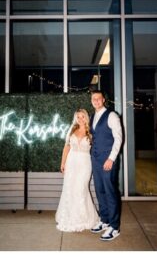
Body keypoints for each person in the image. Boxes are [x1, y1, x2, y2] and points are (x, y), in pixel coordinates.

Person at [55, 109, 100, 232]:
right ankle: (69, 217)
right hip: (71, 162)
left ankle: (83, 218)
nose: (80, 119)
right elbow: (66, 147)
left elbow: (97, 149)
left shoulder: (91, 131)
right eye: (78, 117)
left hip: (85, 164)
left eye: (82, 117)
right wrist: (62, 163)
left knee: (81, 189)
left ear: (86, 118)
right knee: (69, 188)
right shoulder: (72, 130)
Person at [89, 91, 123, 241]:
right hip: (95, 159)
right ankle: (105, 220)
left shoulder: (112, 115)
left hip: (108, 159)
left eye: (98, 98)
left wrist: (111, 159)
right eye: (93, 99)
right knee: (100, 190)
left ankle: (114, 227)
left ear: (103, 99)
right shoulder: (92, 117)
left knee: (110, 191)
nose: (96, 101)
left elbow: (118, 138)